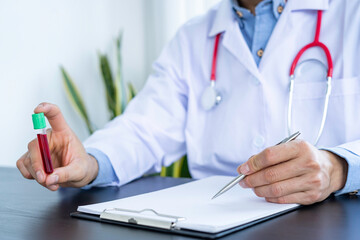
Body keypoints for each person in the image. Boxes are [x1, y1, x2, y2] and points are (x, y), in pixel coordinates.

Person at [17, 0, 360, 205]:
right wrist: (89, 162)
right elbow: (144, 128)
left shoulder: (351, 16)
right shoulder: (193, 37)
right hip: (214, 222)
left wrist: (340, 168)